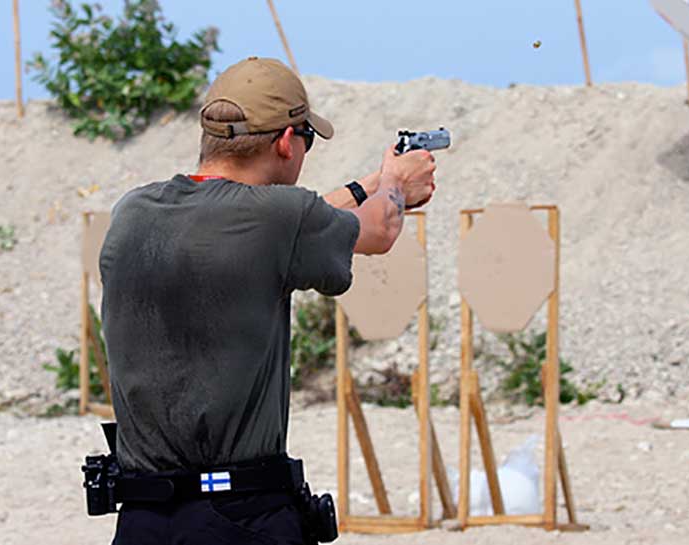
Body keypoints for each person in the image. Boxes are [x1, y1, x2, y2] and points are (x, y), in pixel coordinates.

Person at [98, 57, 436, 544]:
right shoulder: (280, 220)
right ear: (284, 141)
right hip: (242, 516)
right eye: (306, 140)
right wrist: (396, 185)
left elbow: (280, 221)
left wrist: (368, 183)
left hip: (144, 520)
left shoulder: (135, 211)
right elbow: (379, 229)